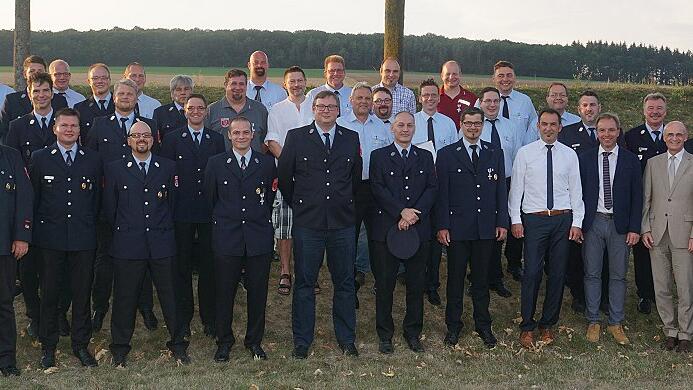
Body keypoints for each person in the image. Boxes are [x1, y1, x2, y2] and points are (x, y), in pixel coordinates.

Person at [277, 90, 362, 359]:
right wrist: (303, 206)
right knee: (304, 283)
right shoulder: (297, 137)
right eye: (321, 106)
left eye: (331, 106)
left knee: (345, 283)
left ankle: (347, 339)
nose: (326, 110)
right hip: (308, 223)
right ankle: (302, 341)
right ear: (313, 109)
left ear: (339, 110)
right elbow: (285, 177)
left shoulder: (351, 138)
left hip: (342, 223)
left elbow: (355, 180)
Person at [104, 121, 189, 366]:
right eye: (136, 135)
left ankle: (178, 344)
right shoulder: (115, 169)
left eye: (146, 135)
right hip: (128, 244)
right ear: (128, 140)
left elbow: (173, 205)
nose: (142, 139)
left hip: (161, 242)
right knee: (124, 298)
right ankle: (120, 347)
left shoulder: (168, 167)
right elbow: (111, 209)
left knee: (170, 296)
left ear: (153, 140)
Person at [29, 108, 102, 368]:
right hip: (50, 240)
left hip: (83, 239)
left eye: (74, 126)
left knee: (82, 294)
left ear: (80, 129)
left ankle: (80, 344)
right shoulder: (39, 159)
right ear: (55, 128)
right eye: (64, 125)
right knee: (49, 294)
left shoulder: (93, 160)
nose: (69, 130)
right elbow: (34, 199)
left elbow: (96, 202)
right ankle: (48, 346)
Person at [86, 78, 159, 332]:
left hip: (140, 204)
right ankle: (100, 307)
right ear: (114, 97)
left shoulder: (148, 126)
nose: (126, 97)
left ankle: (146, 308)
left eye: (131, 93)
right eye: (121, 93)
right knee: (104, 259)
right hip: (108, 203)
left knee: (143, 258)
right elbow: (91, 162)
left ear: (137, 97)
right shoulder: (99, 124)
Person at [509, 108, 584, 349]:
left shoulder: (569, 155)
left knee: (558, 274)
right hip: (534, 220)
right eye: (545, 124)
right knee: (531, 273)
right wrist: (515, 220)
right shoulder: (525, 153)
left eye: (554, 124)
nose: (549, 128)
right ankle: (527, 325)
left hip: (562, 219)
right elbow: (516, 190)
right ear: (537, 126)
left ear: (560, 127)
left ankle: (548, 323)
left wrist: (577, 222)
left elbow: (576, 191)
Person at [205, 116, 277, 361]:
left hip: (258, 237)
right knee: (224, 292)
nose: (241, 137)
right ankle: (224, 341)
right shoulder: (216, 164)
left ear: (253, 133)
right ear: (229, 135)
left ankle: (254, 341)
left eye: (245, 132)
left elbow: (267, 200)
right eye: (236, 133)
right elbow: (211, 200)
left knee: (257, 293)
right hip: (227, 237)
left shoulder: (266, 164)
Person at [437, 107, 508, 349]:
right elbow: (442, 194)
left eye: (478, 123)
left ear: (483, 125)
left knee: (481, 280)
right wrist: (443, 226)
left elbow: (501, 192)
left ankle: (483, 324)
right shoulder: (446, 154)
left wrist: (501, 222)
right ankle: (453, 326)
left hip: (485, 228)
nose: (473, 128)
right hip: (457, 229)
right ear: (461, 124)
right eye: (468, 123)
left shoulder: (494, 152)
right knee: (455, 281)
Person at [369, 111, 437, 353]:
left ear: (414, 128)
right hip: (387, 228)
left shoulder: (426, 157)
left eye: (409, 125)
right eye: (400, 125)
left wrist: (413, 214)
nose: (405, 129)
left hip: (418, 229)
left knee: (416, 284)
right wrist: (400, 212)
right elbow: (377, 188)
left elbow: (431, 188)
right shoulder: (378, 156)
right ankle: (385, 334)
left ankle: (413, 332)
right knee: (385, 284)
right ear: (392, 128)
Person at [160, 93, 225, 338]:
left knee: (209, 266)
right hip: (181, 211)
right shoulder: (173, 139)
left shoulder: (216, 139)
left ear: (206, 112)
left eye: (200, 108)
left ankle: (209, 317)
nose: (196, 111)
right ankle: (183, 317)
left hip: (209, 211)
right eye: (191, 108)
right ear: (184, 112)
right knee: (182, 266)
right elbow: (166, 175)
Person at [579, 113, 642, 345]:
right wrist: (579, 224)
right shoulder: (584, 158)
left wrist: (635, 227)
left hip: (620, 225)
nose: (606, 134)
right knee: (592, 273)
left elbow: (638, 197)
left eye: (611, 130)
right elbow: (578, 193)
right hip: (593, 222)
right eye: (602, 130)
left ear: (618, 131)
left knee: (618, 275)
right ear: (597, 132)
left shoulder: (630, 160)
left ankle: (616, 321)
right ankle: (593, 319)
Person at [4, 72, 58, 338]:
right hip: (26, 206)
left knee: (55, 265)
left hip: (58, 205)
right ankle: (35, 316)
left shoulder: (64, 123)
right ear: (29, 94)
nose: (41, 95)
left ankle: (57, 314)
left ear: (52, 93)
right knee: (27, 268)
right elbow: (12, 168)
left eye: (45, 90)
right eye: (36, 91)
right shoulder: (17, 126)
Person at [337, 82, 392, 306]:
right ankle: (349, 284)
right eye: (358, 98)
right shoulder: (339, 124)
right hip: (349, 188)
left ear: (372, 102)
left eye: (367, 99)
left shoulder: (382, 128)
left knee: (378, 236)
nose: (363, 102)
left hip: (376, 188)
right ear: (350, 100)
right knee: (349, 235)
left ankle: (381, 280)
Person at [641, 121, 693, 353]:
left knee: (685, 287)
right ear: (664, 137)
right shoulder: (653, 164)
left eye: (678, 134)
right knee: (661, 286)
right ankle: (670, 330)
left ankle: (685, 333)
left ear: (686, 136)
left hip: (684, 234)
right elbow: (646, 199)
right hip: (657, 233)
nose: (674, 138)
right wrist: (645, 229)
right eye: (670, 134)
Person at [265, 66, 314, 296]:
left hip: (313, 178)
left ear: (306, 82)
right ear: (285, 85)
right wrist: (292, 165)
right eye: (291, 81)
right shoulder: (276, 110)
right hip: (286, 177)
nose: (296, 84)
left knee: (309, 228)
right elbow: (272, 142)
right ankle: (286, 271)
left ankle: (308, 272)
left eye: (299, 80)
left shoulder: (316, 106)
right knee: (285, 227)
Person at [413, 78, 457, 306]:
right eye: (425, 95)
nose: (430, 99)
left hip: (442, 186)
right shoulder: (412, 123)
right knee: (419, 237)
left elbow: (453, 154)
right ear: (420, 98)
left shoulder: (449, 124)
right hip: (419, 188)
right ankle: (416, 281)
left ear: (439, 97)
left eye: (433, 95)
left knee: (435, 237)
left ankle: (432, 285)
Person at [623, 92, 668, 315]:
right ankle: (645, 294)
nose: (655, 112)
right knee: (642, 250)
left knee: (664, 248)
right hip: (641, 202)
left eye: (659, 108)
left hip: (668, 204)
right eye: (651, 108)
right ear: (644, 111)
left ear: (665, 111)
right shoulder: (631, 137)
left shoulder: (674, 136)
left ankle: (664, 293)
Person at [478, 87, 521, 292]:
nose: (492, 105)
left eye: (496, 101)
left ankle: (497, 276)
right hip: (482, 185)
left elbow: (517, 157)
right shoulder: (474, 126)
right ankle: (480, 275)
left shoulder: (511, 127)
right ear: (481, 103)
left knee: (502, 227)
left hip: (506, 183)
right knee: (484, 230)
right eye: (488, 101)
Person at [0, 143, 32, 377]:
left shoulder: (11, 156)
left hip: (4, 245)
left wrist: (22, 236)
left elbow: (24, 196)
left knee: (3, 304)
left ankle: (6, 358)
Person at [1, 55, 67, 141]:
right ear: (25, 74)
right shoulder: (12, 100)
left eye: (40, 71)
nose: (36, 74)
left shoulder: (59, 101)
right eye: (32, 71)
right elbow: (4, 133)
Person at [206, 69, 268, 152]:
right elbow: (206, 142)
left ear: (246, 86)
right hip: (221, 164)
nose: (238, 87)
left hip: (254, 164)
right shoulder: (212, 110)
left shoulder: (260, 109)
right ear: (225, 85)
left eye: (241, 84)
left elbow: (266, 142)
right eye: (234, 84)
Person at [486, 61, 537, 143]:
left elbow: (535, 128)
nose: (505, 79)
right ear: (493, 79)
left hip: (520, 153)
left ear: (514, 78)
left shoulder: (525, 101)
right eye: (500, 76)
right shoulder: (483, 101)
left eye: (509, 75)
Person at [74, 63, 115, 136]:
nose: (100, 81)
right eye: (95, 78)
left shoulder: (121, 104)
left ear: (109, 80)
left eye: (104, 78)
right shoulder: (80, 108)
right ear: (89, 82)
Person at [437, 60, 478, 129]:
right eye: (448, 74)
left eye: (454, 74)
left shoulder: (472, 98)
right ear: (442, 76)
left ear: (460, 75)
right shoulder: (433, 97)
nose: (451, 77)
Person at [153, 75, 193, 139]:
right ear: (172, 93)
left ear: (191, 91)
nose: (183, 92)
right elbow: (155, 139)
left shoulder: (198, 112)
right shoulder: (160, 113)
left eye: (186, 89)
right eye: (178, 89)